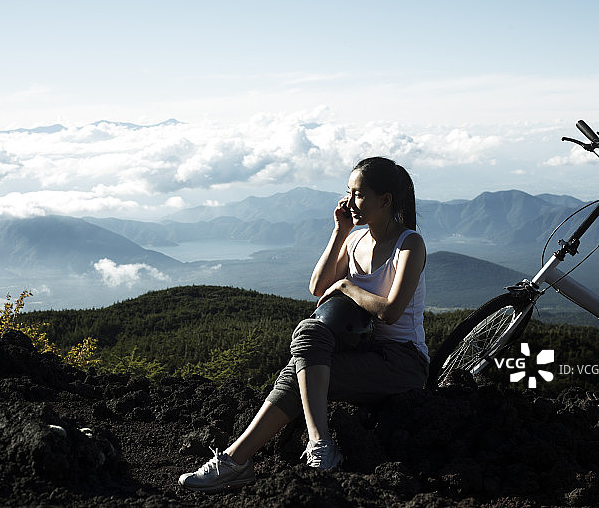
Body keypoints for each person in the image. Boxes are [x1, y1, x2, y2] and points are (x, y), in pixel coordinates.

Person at [178, 156, 429, 492]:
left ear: (385, 201)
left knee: (301, 370)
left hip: (403, 360)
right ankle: (309, 445)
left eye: (359, 194)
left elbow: (390, 312)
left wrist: (347, 286)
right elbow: (317, 286)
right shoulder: (355, 240)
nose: (349, 202)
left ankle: (240, 461)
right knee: (308, 340)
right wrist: (339, 233)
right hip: (364, 349)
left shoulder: (409, 244)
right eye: (348, 192)